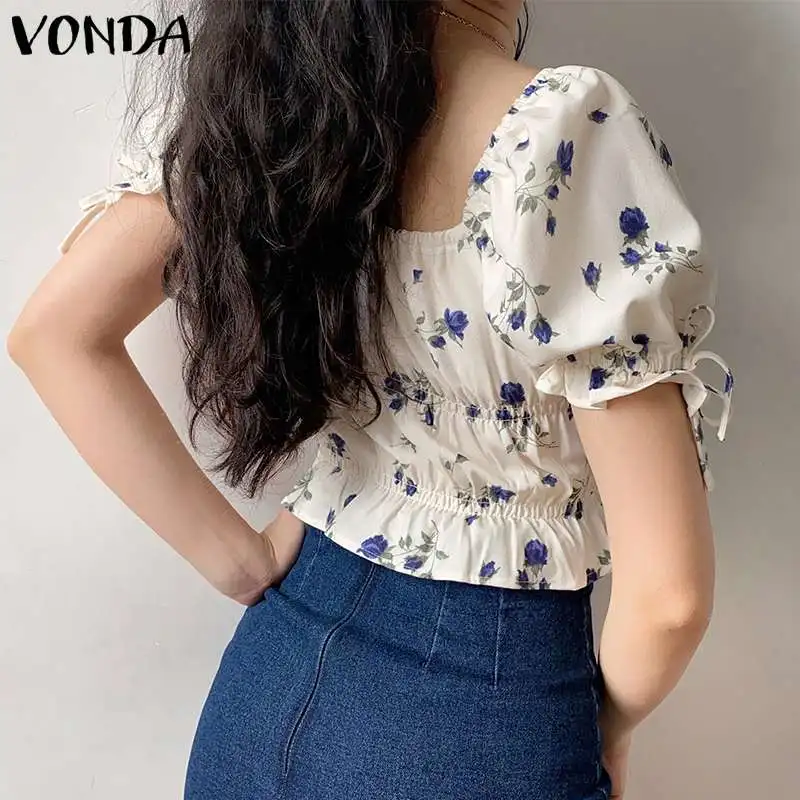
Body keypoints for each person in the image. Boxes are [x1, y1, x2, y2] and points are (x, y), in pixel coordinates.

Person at [8, 1, 734, 798]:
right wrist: (605, 733)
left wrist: (241, 562)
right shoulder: (559, 130)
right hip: (481, 711)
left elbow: (55, 333)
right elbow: (667, 600)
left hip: (265, 690)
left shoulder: (267, 102)